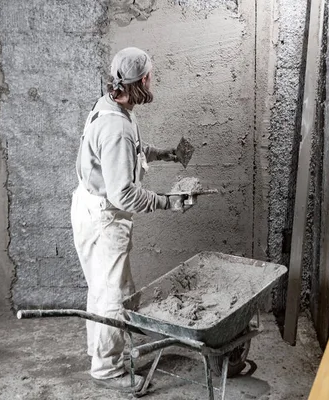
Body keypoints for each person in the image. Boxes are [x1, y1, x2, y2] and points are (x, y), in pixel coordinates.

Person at [70, 47, 190, 392]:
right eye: (151, 75)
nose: (154, 80)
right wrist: (168, 203)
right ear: (139, 81)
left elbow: (126, 150)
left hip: (90, 207)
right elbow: (123, 194)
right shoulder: (116, 129)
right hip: (104, 218)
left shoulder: (113, 105)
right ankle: (107, 370)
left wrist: (162, 153)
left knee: (103, 289)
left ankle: (103, 355)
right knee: (115, 295)